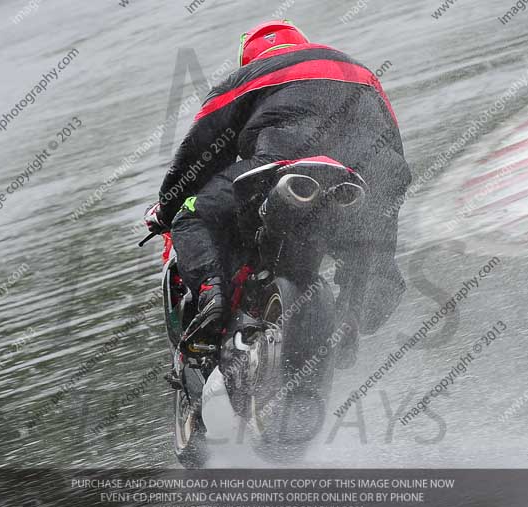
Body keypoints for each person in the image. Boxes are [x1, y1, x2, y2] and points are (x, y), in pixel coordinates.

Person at [145, 20, 411, 362]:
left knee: (192, 215)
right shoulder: (359, 70)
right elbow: (394, 147)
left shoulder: (249, 76)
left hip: (282, 165)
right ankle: (352, 321)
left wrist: (167, 210)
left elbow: (198, 154)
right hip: (366, 176)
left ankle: (213, 296)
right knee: (373, 257)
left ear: (250, 57)